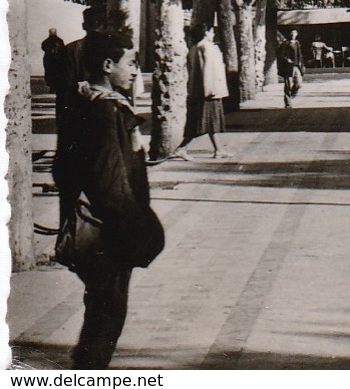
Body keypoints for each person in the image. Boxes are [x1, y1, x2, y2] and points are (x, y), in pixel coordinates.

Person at [54, 30, 165, 368]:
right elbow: (110, 182)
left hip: (99, 228)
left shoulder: (82, 102)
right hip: (110, 232)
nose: (135, 71)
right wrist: (141, 226)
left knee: (101, 312)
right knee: (107, 315)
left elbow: (63, 168)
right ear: (107, 65)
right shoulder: (106, 111)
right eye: (130, 63)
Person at [174, 27, 231, 160]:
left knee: (210, 122)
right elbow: (208, 70)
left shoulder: (194, 48)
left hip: (198, 90)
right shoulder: (207, 47)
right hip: (209, 91)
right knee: (202, 122)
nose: (213, 34)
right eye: (211, 31)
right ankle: (181, 148)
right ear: (205, 33)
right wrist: (210, 90)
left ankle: (219, 150)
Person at [275, 30, 304, 107]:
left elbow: (300, 55)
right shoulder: (285, 44)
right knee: (288, 84)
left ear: (296, 34)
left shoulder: (297, 43)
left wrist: (302, 65)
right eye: (291, 33)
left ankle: (291, 95)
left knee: (299, 84)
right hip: (288, 67)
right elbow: (280, 54)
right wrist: (287, 59)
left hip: (297, 66)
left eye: (294, 33)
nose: (292, 35)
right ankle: (288, 103)